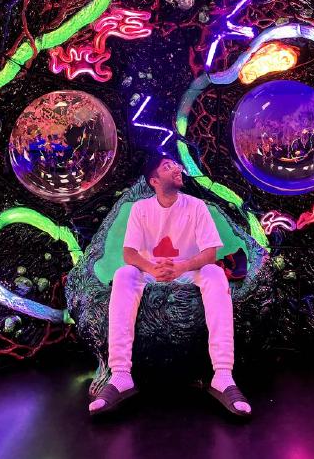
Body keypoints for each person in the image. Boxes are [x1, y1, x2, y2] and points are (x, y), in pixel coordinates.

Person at [88, 154, 252, 418]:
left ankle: (223, 375)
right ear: (154, 181)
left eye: (175, 164)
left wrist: (182, 267)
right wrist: (152, 268)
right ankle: (120, 375)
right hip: (152, 272)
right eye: (168, 167)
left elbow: (210, 253)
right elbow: (129, 254)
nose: (176, 168)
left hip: (188, 271)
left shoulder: (196, 206)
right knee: (124, 275)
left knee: (214, 273)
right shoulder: (140, 209)